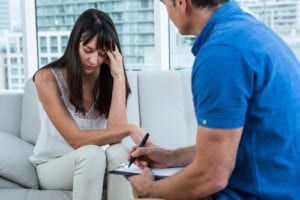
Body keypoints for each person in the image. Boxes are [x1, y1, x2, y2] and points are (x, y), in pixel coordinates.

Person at [127, 0, 300, 199]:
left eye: (165, 4)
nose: (167, 12)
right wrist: (169, 157)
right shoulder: (251, 32)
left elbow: (211, 176)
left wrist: (149, 190)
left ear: (182, 4)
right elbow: (226, 150)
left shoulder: (221, 54)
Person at [29, 9, 146, 200]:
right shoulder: (47, 78)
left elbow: (115, 137)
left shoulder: (108, 77)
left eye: (101, 54)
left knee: (118, 152)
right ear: (75, 44)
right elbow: (75, 140)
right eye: (88, 51)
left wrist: (118, 76)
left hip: (96, 162)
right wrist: (129, 129)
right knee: (92, 154)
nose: (94, 60)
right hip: (54, 165)